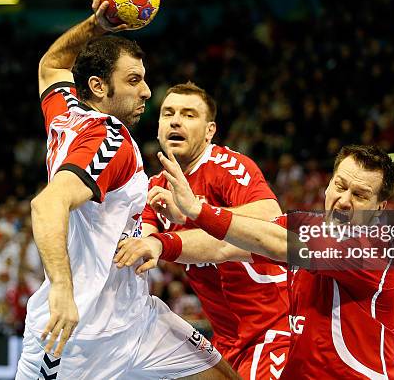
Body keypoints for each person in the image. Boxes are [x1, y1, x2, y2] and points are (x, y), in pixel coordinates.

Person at [16, 0, 237, 379]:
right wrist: (62, 291)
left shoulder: (65, 110)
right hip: (77, 337)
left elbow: (51, 65)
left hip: (138, 319)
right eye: (134, 80)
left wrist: (97, 25)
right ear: (99, 87)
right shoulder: (108, 141)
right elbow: (46, 205)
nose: (147, 91)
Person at [117, 144, 394, 378]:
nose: (344, 200)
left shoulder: (373, 247)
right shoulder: (311, 226)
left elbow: (277, 243)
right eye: (340, 186)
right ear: (328, 184)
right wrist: (161, 241)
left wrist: (198, 211)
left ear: (379, 208)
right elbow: (227, 245)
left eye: (360, 195)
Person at [120, 81, 289, 379]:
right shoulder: (156, 186)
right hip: (225, 340)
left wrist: (192, 213)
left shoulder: (228, 165)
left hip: (273, 328)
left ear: (210, 130)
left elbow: (271, 218)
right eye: (168, 113)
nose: (175, 120)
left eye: (188, 114)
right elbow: (146, 245)